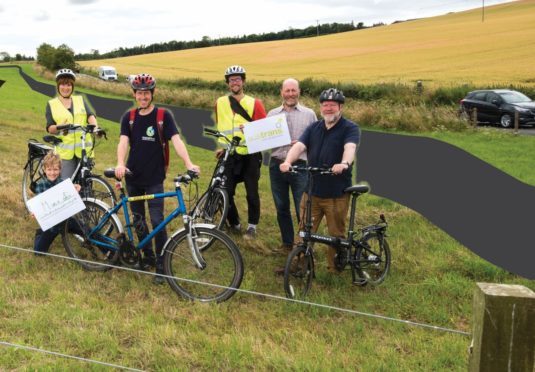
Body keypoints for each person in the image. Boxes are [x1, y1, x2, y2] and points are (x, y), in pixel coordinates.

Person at [115, 73, 200, 284]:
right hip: (133, 177)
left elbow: (177, 141)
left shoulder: (163, 116)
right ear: (135, 95)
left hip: (155, 178)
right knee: (138, 220)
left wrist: (189, 163)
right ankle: (147, 256)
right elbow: (123, 142)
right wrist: (119, 163)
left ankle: (161, 263)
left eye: (146, 93)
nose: (143, 97)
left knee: (157, 221)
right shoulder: (130, 118)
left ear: (152, 94)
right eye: (139, 93)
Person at [280, 88, 360, 273]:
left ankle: (334, 268)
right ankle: (299, 265)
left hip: (336, 193)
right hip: (312, 191)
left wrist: (344, 163)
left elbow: (350, 147)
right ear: (321, 107)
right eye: (325, 105)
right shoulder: (314, 127)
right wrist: (287, 161)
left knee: (335, 234)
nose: (328, 108)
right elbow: (299, 145)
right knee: (303, 231)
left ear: (340, 107)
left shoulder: (350, 128)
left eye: (332, 105)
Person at [215, 65, 267, 239]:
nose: (234, 82)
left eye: (238, 79)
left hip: (250, 154)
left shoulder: (255, 103)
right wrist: (222, 147)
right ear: (228, 83)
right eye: (231, 80)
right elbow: (221, 127)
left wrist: (251, 132)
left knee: (252, 192)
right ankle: (234, 223)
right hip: (229, 154)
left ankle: (252, 226)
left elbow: (264, 131)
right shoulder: (220, 102)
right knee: (225, 191)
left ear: (243, 81)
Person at [267, 78, 317, 254]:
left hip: (300, 166)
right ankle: (287, 244)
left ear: (299, 92)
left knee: (301, 208)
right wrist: (250, 132)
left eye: (293, 90)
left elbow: (317, 141)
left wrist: (303, 143)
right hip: (276, 165)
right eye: (287, 91)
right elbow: (264, 139)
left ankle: (303, 246)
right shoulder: (272, 114)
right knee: (281, 207)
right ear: (281, 92)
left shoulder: (309, 114)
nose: (290, 94)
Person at [45, 68, 99, 179]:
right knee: (67, 185)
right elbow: (50, 128)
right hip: (65, 153)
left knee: (86, 183)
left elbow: (90, 115)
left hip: (84, 149)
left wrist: (96, 128)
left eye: (69, 85)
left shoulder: (80, 100)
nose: (66, 88)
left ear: (72, 86)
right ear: (58, 86)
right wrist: (60, 127)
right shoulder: (52, 104)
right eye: (63, 85)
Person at [32, 151, 81, 255]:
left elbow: (72, 197)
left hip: (67, 221)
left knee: (87, 232)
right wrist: (35, 212)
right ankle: (40, 233)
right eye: (49, 169)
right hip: (51, 226)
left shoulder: (65, 183)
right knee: (38, 252)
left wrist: (76, 188)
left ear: (60, 169)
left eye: (55, 169)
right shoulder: (40, 186)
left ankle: (111, 251)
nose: (52, 173)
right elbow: (38, 206)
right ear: (44, 170)